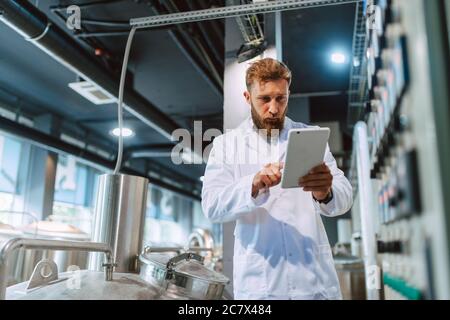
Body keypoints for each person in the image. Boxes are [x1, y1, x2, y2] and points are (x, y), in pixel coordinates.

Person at [201, 58, 353, 300]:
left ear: (288, 95)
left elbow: (344, 197)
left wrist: (326, 192)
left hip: (313, 280)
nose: (274, 108)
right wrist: (253, 183)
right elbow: (212, 206)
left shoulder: (311, 136)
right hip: (261, 285)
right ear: (247, 97)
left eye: (281, 98)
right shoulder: (226, 145)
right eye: (265, 99)